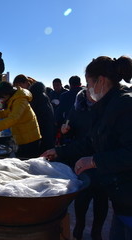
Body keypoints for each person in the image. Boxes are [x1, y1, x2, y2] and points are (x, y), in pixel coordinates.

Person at [41, 56, 132, 240]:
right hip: (121, 199)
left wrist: (93, 160)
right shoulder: (105, 106)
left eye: (89, 83)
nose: (88, 89)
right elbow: (91, 142)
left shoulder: (125, 105)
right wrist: (58, 151)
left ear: (101, 81)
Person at [60, 89, 108, 240]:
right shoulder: (77, 107)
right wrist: (65, 131)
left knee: (101, 198)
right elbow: (68, 129)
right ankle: (79, 227)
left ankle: (97, 231)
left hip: (103, 159)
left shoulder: (107, 107)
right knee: (83, 197)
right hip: (82, 158)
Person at [0, 81, 42, 158]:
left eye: (1, 97)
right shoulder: (13, 99)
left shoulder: (20, 100)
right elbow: (5, 113)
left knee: (27, 164)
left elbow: (14, 118)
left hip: (30, 139)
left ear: (7, 94)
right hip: (22, 137)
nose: (1, 100)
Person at [13, 75, 55, 154]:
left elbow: (40, 118)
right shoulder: (34, 95)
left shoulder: (36, 96)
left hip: (41, 136)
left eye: (18, 86)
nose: (18, 90)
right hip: (41, 135)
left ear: (24, 83)